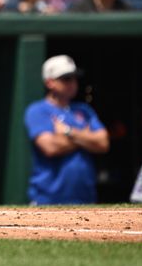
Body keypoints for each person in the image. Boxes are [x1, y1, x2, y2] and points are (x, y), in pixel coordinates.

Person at [24, 55, 109, 205]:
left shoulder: (84, 110)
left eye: (74, 78)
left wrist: (69, 132)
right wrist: (86, 136)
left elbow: (102, 143)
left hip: (85, 198)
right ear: (50, 82)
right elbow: (50, 147)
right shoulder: (38, 110)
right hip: (48, 199)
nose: (73, 83)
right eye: (66, 78)